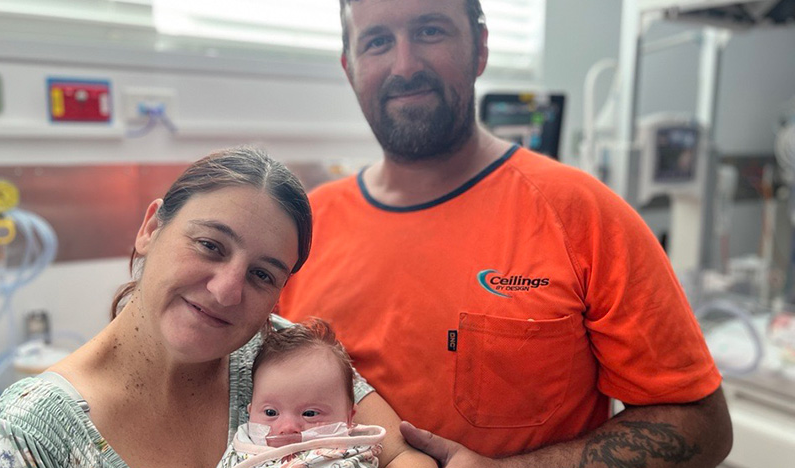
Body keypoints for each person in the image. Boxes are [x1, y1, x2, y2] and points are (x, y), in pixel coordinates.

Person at [278, 0, 734, 466]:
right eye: (377, 42)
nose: (406, 64)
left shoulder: (583, 216)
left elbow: (700, 421)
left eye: (431, 31)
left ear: (480, 48)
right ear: (349, 67)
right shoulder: (297, 232)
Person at [0, 147, 434, 468]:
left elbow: (403, 455)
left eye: (262, 274)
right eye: (210, 245)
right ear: (151, 227)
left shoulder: (282, 356)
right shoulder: (30, 435)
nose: (228, 291)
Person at [219, 319, 385, 468]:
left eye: (310, 413)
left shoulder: (348, 456)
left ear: (349, 418)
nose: (288, 428)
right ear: (250, 413)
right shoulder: (241, 448)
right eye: (271, 412)